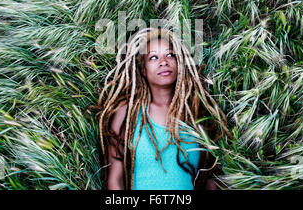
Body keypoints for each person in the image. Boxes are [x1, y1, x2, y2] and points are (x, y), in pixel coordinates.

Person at [95, 27, 232, 190]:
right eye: (153, 57)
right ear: (143, 70)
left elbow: (211, 178)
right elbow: (115, 180)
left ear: (179, 63)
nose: (163, 62)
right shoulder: (127, 114)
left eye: (170, 55)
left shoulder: (196, 114)